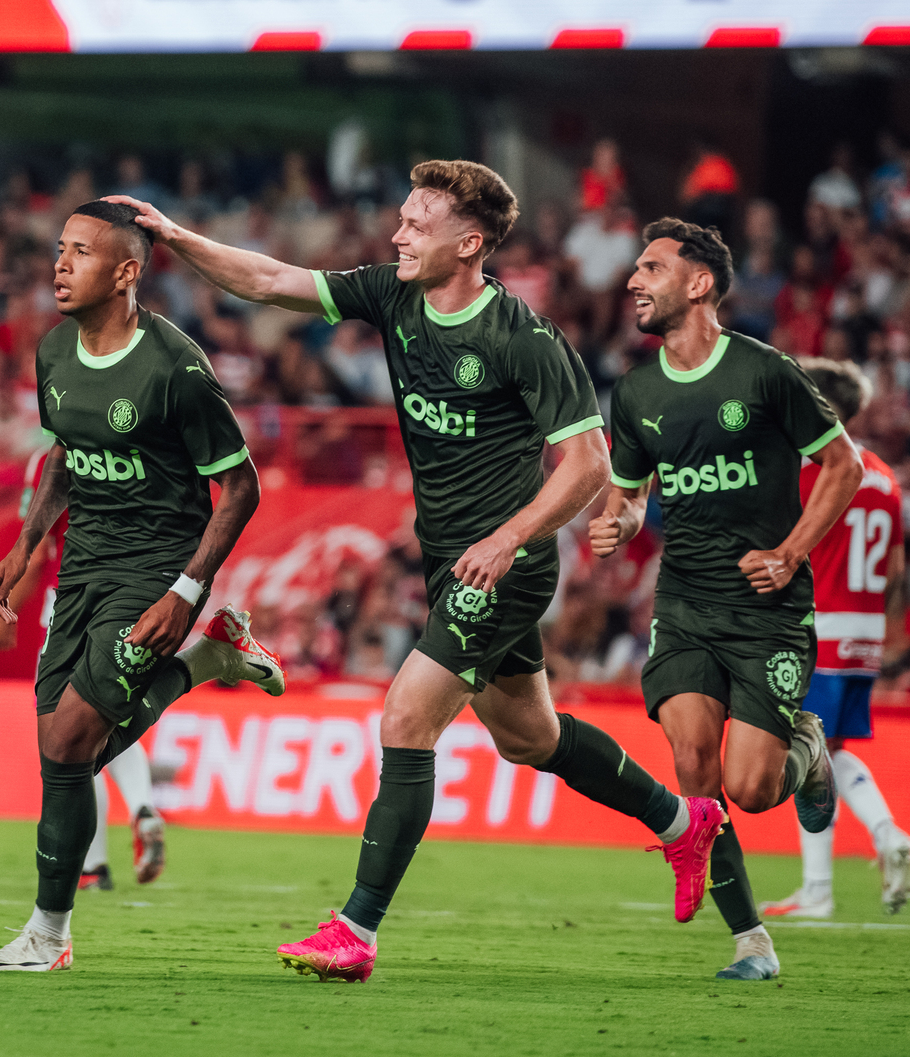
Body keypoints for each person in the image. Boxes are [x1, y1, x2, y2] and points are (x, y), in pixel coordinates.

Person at [125, 161, 726, 987]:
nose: (399, 234)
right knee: (531, 738)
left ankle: (357, 930)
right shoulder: (392, 294)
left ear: (468, 242)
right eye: (401, 219)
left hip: (502, 569)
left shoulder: (521, 336)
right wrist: (174, 235)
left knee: (405, 719)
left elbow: (586, 464)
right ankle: (679, 821)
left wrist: (510, 538)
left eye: (418, 223)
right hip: (452, 561)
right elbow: (268, 278)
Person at [0, 198, 282, 973]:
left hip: (153, 567)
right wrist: (26, 544)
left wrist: (185, 589)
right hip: (83, 565)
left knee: (73, 734)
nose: (60, 264)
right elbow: (62, 456)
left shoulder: (174, 366)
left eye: (80, 252)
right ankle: (206, 665)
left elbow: (240, 488)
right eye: (59, 249)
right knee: (59, 747)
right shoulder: (53, 353)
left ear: (127, 272)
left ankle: (47, 936)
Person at [589, 218, 863, 980]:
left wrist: (789, 553)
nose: (634, 281)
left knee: (751, 787)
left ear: (699, 283)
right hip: (684, 605)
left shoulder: (765, 372)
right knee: (696, 775)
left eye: (651, 268)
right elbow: (631, 492)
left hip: (767, 608)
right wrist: (620, 521)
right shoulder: (636, 392)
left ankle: (806, 752)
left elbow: (843, 467)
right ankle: (751, 942)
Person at [760, 358, 910, 920]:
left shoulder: (813, 468)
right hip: (865, 631)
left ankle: (822, 887)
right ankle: (881, 834)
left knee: (805, 752)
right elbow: (896, 567)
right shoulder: (884, 475)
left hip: (817, 626)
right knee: (834, 751)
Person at [0, 447, 168, 890]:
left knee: (70, 732)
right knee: (109, 714)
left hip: (73, 604)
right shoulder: (137, 453)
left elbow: (36, 550)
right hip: (136, 602)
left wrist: (5, 609)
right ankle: (141, 804)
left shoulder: (53, 459)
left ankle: (92, 864)